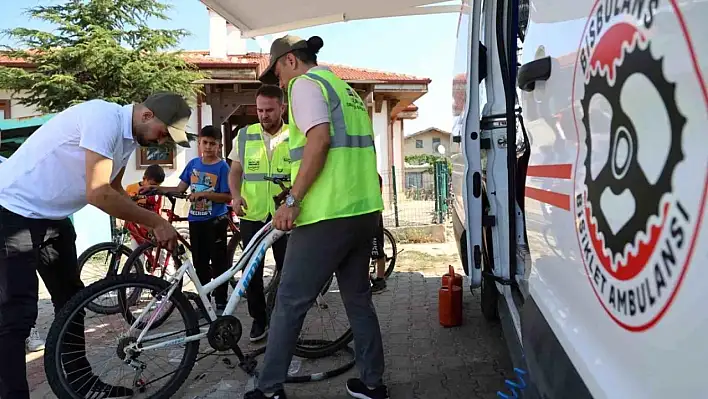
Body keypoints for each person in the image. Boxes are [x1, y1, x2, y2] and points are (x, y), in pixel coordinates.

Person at [0, 92, 187, 398]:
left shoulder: (128, 140)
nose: (161, 141)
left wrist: (145, 222)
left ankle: (81, 386)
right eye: (163, 132)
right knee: (16, 314)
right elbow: (98, 193)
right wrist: (156, 222)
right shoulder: (104, 119)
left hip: (51, 217)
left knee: (72, 303)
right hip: (12, 210)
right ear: (146, 115)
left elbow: (114, 191)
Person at [246, 35, 388, 399]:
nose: (278, 82)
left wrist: (293, 198)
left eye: (277, 72)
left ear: (290, 61)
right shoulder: (347, 91)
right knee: (358, 299)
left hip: (327, 214)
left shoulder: (305, 86)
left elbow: (319, 141)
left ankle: (269, 389)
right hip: (363, 211)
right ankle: (373, 384)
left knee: (289, 302)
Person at [227, 84, 291, 342]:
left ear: (282, 108)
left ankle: (284, 319)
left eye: (269, 110)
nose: (263, 115)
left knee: (288, 270)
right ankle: (258, 319)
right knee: (251, 271)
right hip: (253, 214)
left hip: (286, 215)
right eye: (259, 110)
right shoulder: (244, 135)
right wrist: (235, 196)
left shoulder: (296, 135)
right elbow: (235, 172)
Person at [152, 125, 232, 314]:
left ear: (219, 146)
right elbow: (180, 189)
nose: (208, 147)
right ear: (200, 143)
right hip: (195, 221)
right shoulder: (193, 164)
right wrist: (157, 189)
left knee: (219, 262)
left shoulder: (222, 167)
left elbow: (228, 196)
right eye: (205, 142)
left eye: (213, 144)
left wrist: (205, 195)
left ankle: (221, 303)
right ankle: (205, 302)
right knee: (200, 264)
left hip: (215, 221)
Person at [370, 173, 387, 294]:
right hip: (364, 215)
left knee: (376, 249)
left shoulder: (374, 176)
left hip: (373, 214)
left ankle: (381, 281)